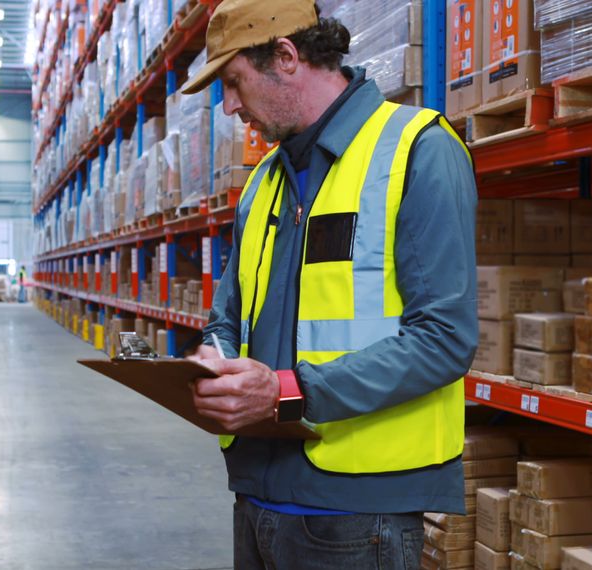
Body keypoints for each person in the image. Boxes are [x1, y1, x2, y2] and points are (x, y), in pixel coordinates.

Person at [183, 0, 478, 567]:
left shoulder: (418, 149)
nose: (229, 106)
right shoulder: (262, 183)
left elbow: (444, 338)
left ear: (286, 58)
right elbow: (229, 316)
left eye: (234, 83)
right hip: (257, 495)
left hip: (358, 510)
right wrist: (213, 361)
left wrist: (286, 392)